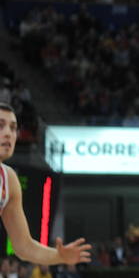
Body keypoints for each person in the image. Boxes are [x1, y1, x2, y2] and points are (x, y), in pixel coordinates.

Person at [0, 102, 91, 267]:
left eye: (13, 128)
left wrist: (60, 256)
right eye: (0, 126)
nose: (8, 133)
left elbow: (24, 247)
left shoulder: (9, 179)